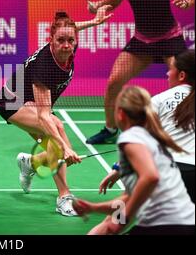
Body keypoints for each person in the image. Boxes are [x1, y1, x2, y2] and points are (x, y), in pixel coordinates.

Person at [0, 6, 113, 216]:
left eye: (71, 40)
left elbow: (71, 29)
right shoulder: (45, 67)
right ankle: (63, 198)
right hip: (12, 102)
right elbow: (43, 115)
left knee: (54, 148)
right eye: (61, 41)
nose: (67, 45)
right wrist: (65, 149)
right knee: (58, 135)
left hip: (30, 101)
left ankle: (29, 163)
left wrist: (94, 22)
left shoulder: (68, 45)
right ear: (51, 39)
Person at [85, 0, 195, 144]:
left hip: (169, 38)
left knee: (180, 87)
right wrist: (97, 6)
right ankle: (110, 130)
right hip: (142, 40)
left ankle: (180, 130)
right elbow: (111, 2)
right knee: (113, 82)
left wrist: (185, 2)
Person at [73, 86, 195, 235]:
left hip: (166, 225)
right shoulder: (154, 144)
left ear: (121, 114)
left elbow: (150, 177)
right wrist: (93, 208)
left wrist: (120, 220)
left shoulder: (131, 138)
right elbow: (127, 200)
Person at [99, 50, 195, 202]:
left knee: (126, 201)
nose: (167, 74)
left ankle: (116, 220)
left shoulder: (159, 100)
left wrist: (119, 168)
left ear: (181, 75)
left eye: (171, 70)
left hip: (167, 170)